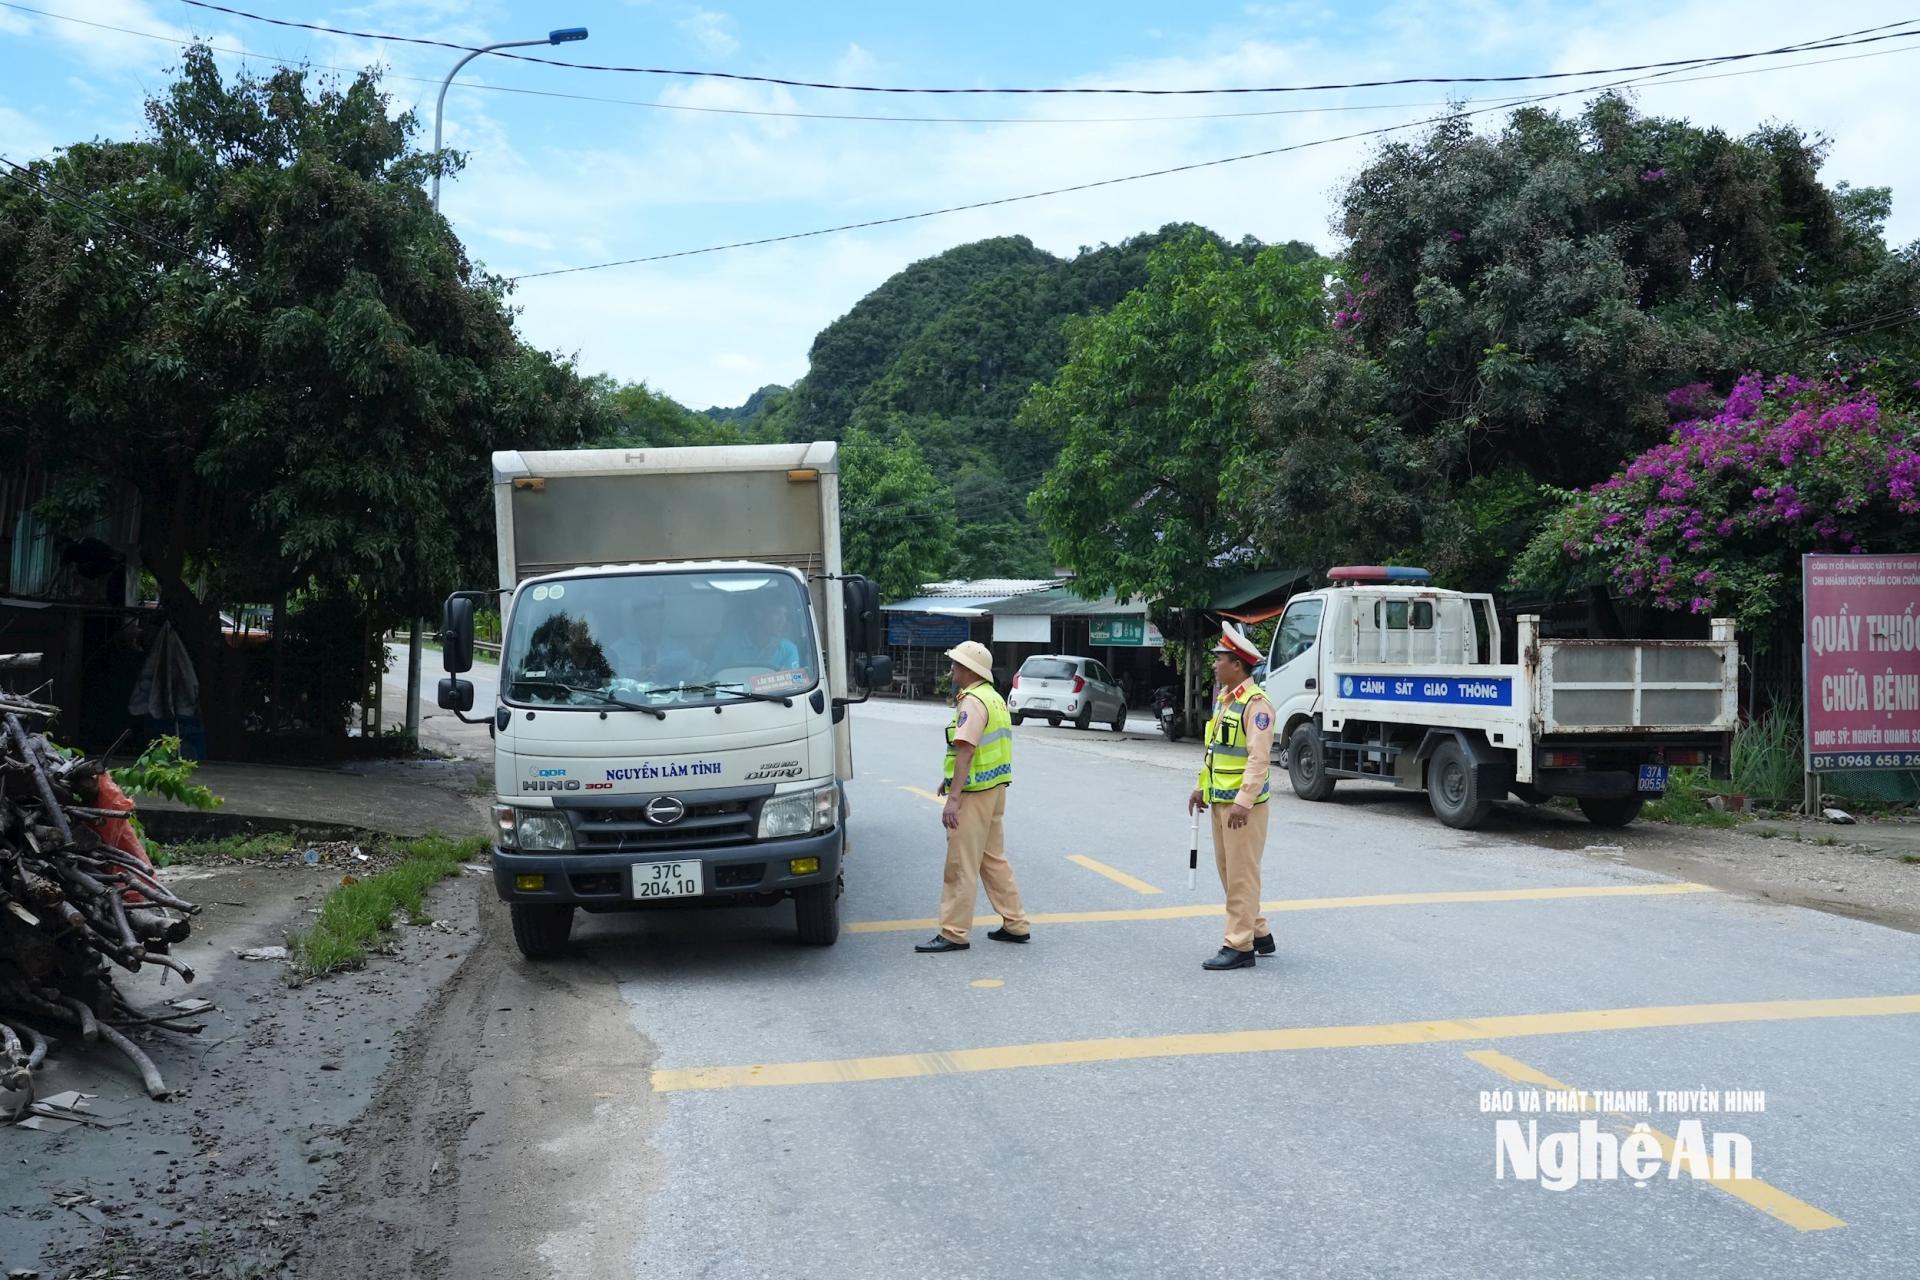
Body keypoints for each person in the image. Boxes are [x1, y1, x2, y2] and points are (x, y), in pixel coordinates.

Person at [916, 640, 1032, 954]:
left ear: (969, 669)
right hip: (994, 791)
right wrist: (950, 779)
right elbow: (976, 752)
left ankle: (953, 932)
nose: (952, 668)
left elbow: (965, 749)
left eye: (956, 663)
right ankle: (1016, 923)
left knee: (960, 864)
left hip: (974, 795)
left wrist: (954, 798)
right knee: (992, 860)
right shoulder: (993, 699)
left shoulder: (972, 702)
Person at [1186, 621, 1277, 971]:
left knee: (1241, 874)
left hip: (1242, 807)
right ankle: (1259, 931)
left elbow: (1258, 759)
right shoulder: (1228, 700)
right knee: (1230, 872)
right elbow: (1215, 751)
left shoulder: (1257, 705)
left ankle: (1239, 945)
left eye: (1219, 658)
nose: (1214, 664)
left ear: (1237, 664)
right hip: (1221, 800)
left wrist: (1243, 802)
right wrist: (1201, 787)